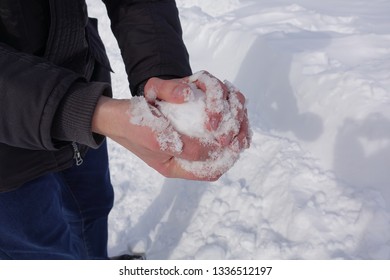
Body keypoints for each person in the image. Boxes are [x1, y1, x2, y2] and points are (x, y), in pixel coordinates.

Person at [0, 0, 250, 259]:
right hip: (8, 159)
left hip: (82, 80)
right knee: (42, 252)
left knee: (92, 207)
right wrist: (86, 111)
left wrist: (165, 80)